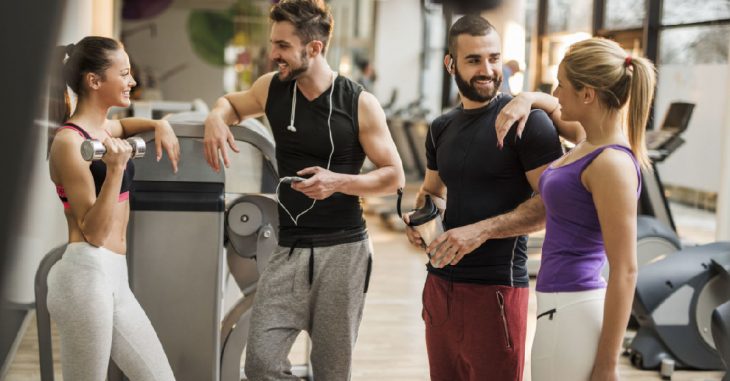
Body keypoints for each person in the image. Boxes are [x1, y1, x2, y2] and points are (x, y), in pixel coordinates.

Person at [202, 1, 404, 379]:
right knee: (261, 364)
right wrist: (216, 116)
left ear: (313, 48)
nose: (273, 54)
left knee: (331, 371)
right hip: (288, 250)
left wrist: (338, 182)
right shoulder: (272, 89)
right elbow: (232, 104)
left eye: (282, 45)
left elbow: (394, 176)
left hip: (344, 253)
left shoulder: (358, 102)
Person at [403, 15, 563, 381]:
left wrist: (482, 231)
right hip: (439, 288)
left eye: (493, 58)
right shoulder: (441, 127)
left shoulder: (528, 122)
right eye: (474, 60)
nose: (488, 70)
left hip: (496, 292)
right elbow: (432, 192)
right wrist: (422, 221)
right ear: (450, 64)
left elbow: (552, 205)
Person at [495, 37, 655, 381]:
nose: (555, 93)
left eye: (562, 85)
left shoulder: (610, 162)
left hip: (572, 310)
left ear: (588, 95)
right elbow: (552, 109)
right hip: (560, 306)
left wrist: (608, 364)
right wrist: (525, 99)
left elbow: (626, 270)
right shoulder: (589, 141)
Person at [46, 36, 179, 381]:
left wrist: (157, 124)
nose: (132, 82)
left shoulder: (103, 129)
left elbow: (125, 126)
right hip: (84, 278)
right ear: (94, 81)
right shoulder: (68, 142)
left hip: (115, 278)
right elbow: (93, 231)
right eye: (124, 73)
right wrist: (116, 169)